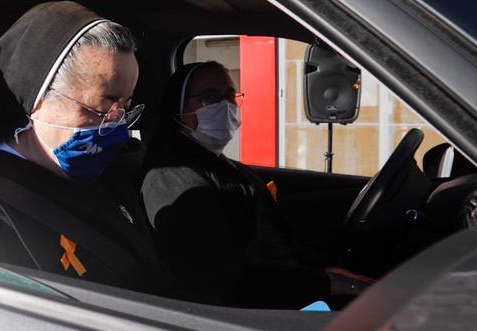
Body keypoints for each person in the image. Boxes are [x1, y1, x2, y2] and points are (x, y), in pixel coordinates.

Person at [0, 1, 174, 293]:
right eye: (102, 108)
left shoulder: (108, 176)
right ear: (36, 98)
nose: (116, 125)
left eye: (125, 109)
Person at [140, 61, 367, 308]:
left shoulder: (222, 166)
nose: (224, 105)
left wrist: (325, 272)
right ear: (178, 109)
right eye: (209, 97)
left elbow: (275, 246)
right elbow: (223, 279)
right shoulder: (173, 180)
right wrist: (327, 282)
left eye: (229, 96)